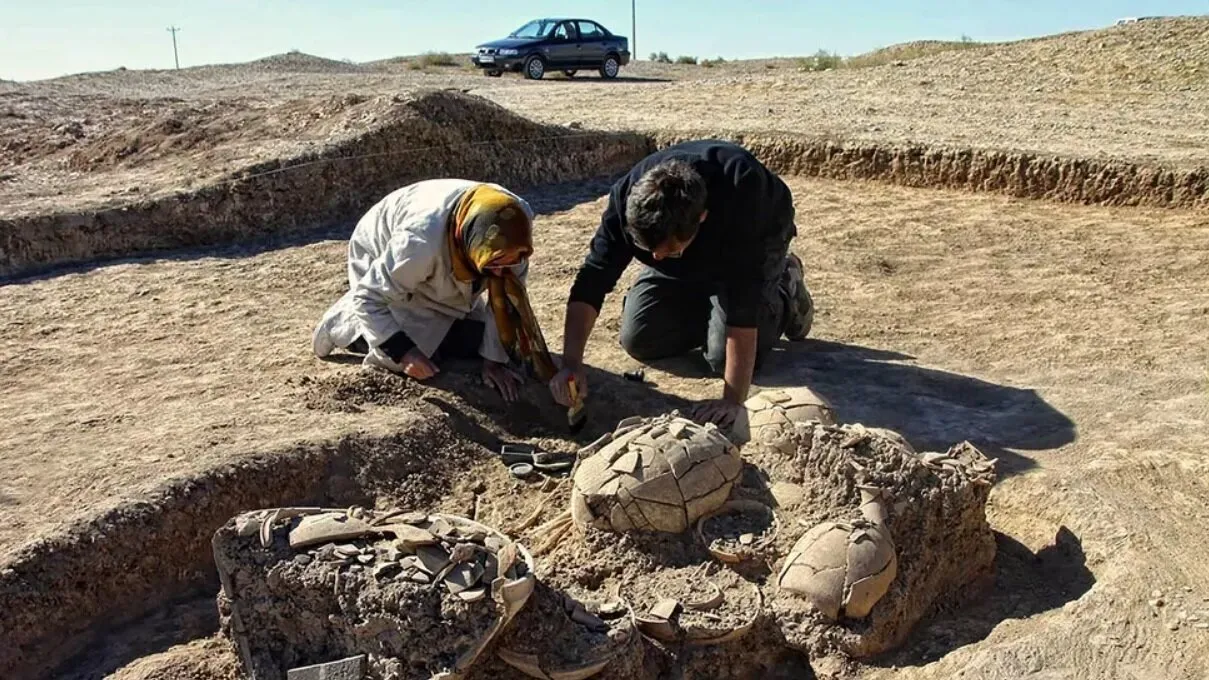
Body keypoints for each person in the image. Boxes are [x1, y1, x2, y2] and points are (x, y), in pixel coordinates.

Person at [548, 140, 813, 427]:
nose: (658, 257)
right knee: (639, 338)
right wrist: (571, 364)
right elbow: (592, 278)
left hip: (763, 235)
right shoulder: (627, 198)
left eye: (670, 251)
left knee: (721, 358)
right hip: (696, 256)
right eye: (650, 251)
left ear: (702, 218)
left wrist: (732, 400)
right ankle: (708, 303)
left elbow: (743, 304)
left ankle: (785, 287)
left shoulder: (743, 198)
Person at [312, 178, 558, 402]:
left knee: (492, 346)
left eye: (512, 261)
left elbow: (504, 299)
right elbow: (369, 297)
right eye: (496, 262)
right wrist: (406, 353)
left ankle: (435, 322)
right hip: (381, 250)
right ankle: (343, 326)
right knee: (403, 357)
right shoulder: (418, 243)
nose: (502, 271)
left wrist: (493, 362)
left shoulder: (514, 229)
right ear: (473, 243)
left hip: (449, 256)